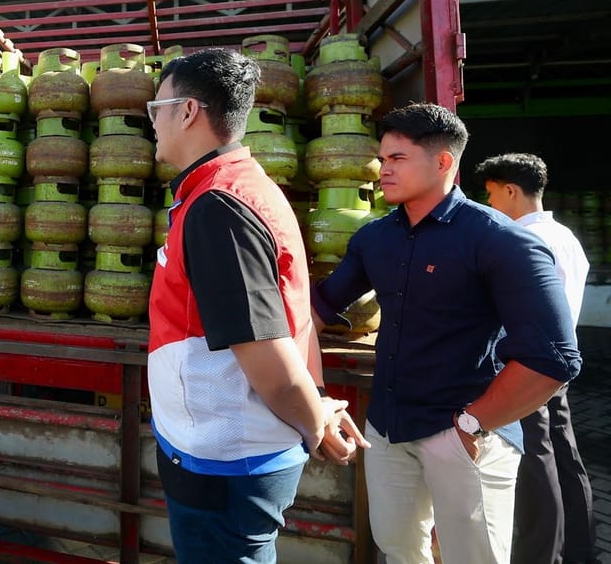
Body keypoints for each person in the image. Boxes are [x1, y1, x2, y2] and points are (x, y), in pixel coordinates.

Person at [310, 104, 582, 564]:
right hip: (388, 428)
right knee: (398, 550)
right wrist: (309, 392)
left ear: (442, 162)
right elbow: (317, 310)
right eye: (383, 157)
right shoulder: (375, 239)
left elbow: (555, 357)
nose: (382, 168)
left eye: (397, 158)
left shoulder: (501, 240)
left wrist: (473, 425)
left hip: (463, 433)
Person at [147, 48, 367, 563]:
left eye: (157, 108)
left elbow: (264, 347)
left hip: (225, 457)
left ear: (188, 112)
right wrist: (316, 405)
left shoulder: (218, 206)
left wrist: (315, 423)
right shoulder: (232, 189)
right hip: (224, 449)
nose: (153, 121)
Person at [475, 152, 595, 564]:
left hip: (528, 365)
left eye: (490, 196)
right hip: (560, 361)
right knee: (564, 457)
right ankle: (579, 548)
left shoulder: (523, 241)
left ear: (510, 191)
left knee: (534, 459)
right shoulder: (565, 237)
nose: (489, 206)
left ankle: (540, 554)